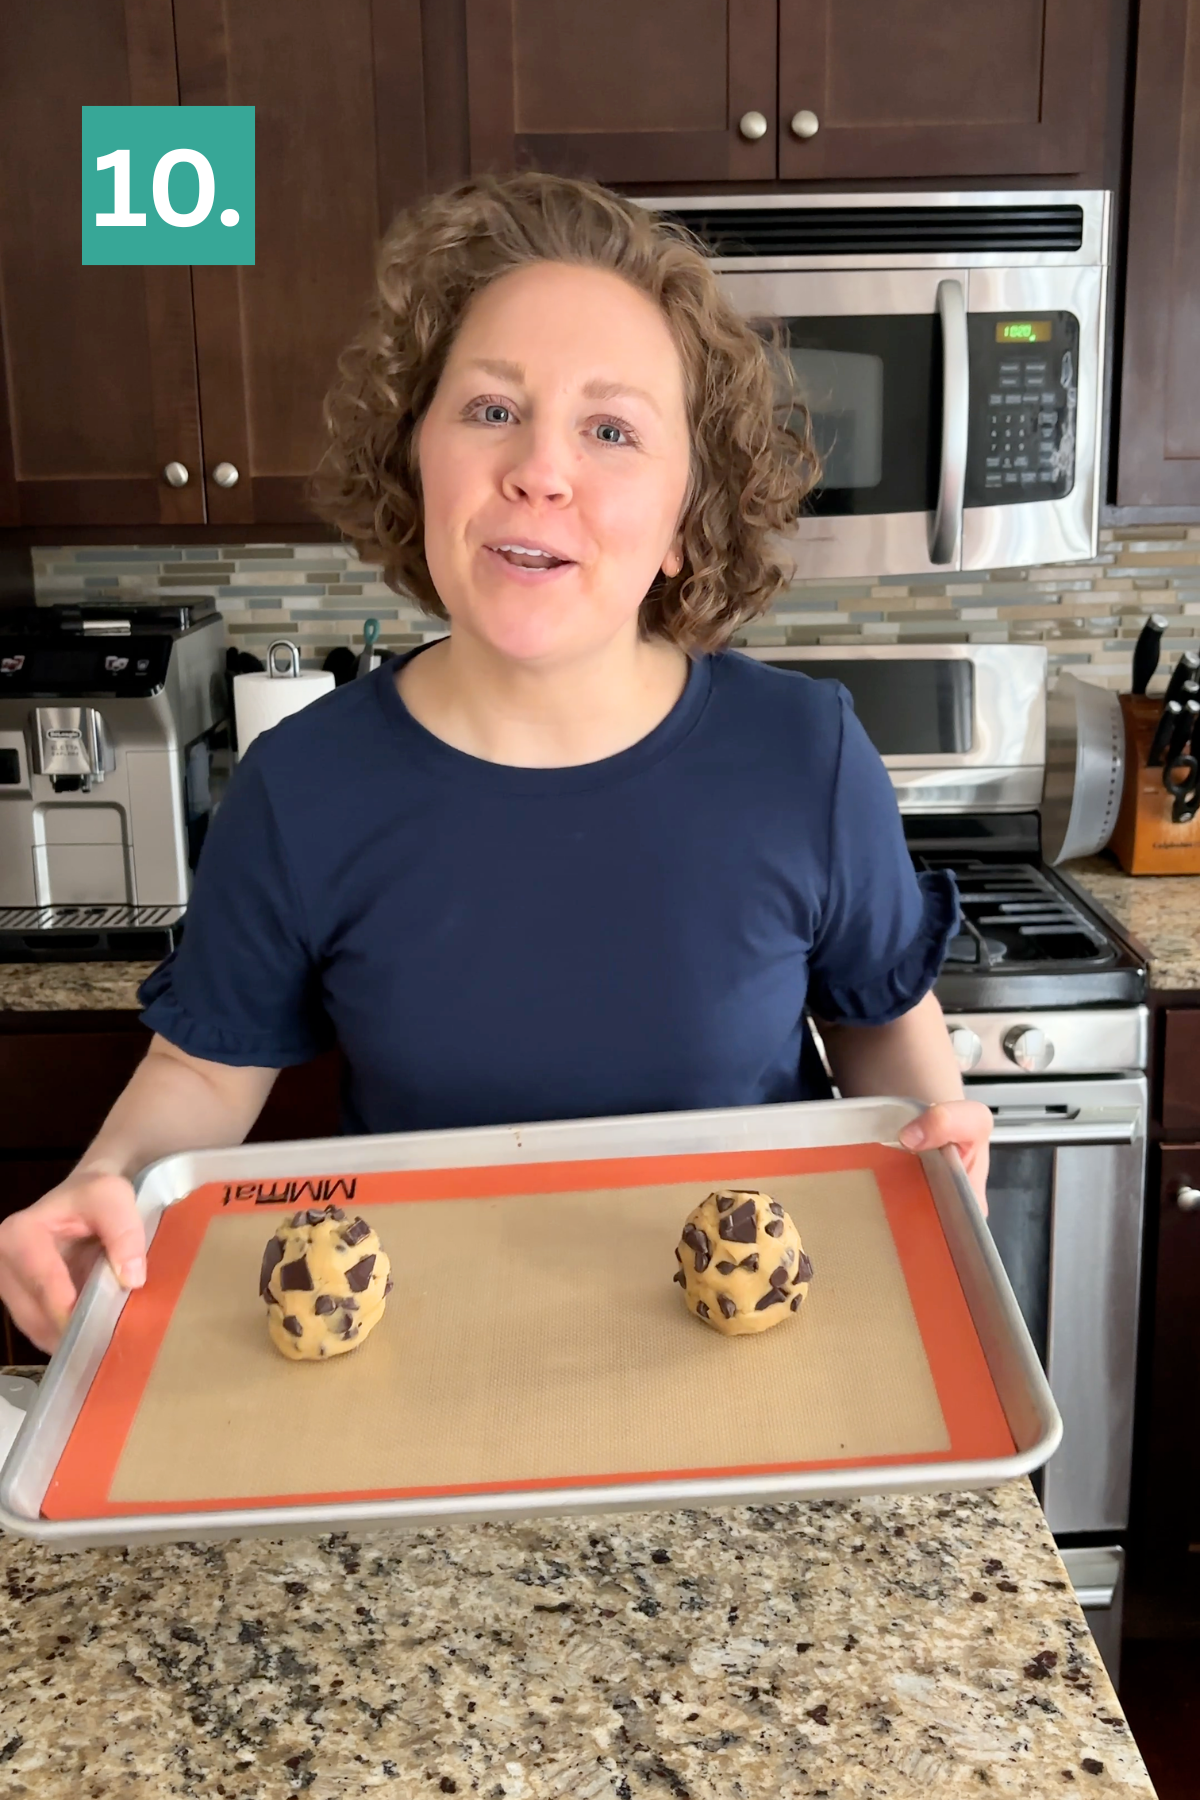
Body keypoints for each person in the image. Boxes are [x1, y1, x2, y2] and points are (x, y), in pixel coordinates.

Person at [0, 172, 991, 1355]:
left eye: (612, 429)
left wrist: (939, 1137)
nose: (540, 469)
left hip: (754, 1362)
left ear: (686, 518)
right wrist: (107, 1179)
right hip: (424, 1362)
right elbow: (207, 1070)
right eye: (488, 410)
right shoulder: (304, 786)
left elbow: (880, 1022)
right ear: (415, 459)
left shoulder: (804, 754)